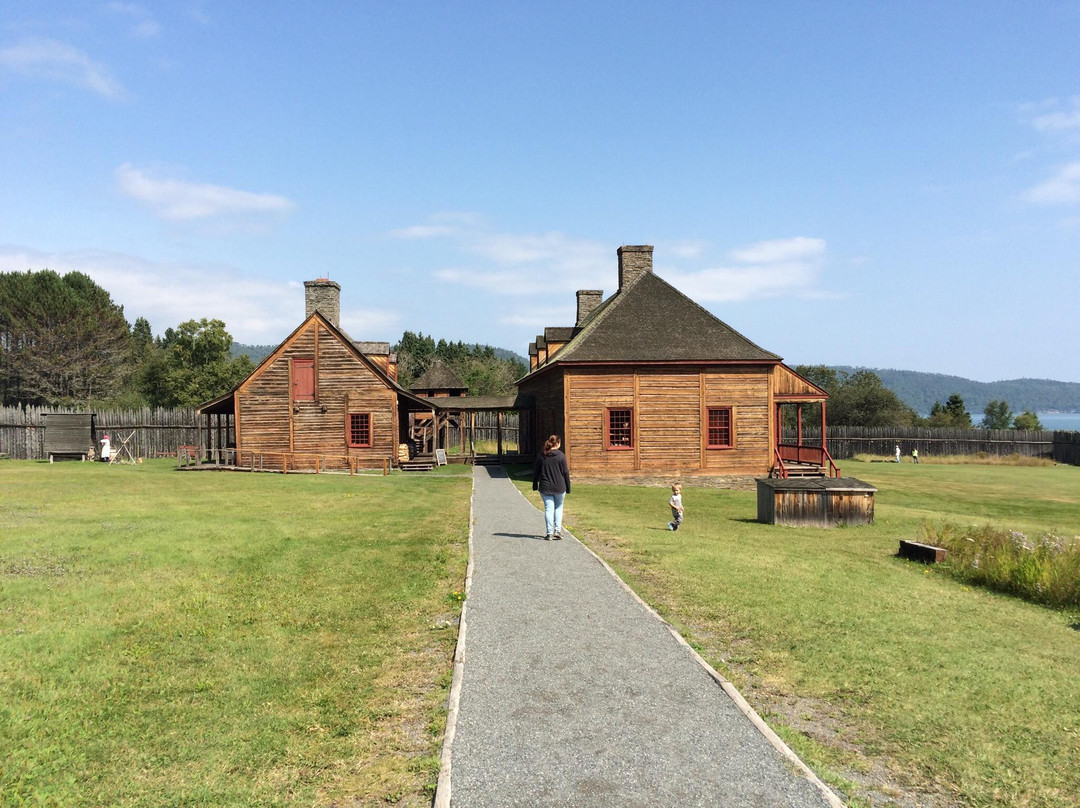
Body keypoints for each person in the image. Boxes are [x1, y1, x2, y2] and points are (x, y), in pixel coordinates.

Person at [532, 434, 571, 541]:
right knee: (558, 508)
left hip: (545, 487)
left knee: (549, 509)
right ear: (557, 443)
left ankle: (549, 533)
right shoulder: (561, 456)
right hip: (560, 486)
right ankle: (557, 531)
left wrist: (535, 483)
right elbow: (565, 472)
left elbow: (536, 471)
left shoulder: (542, 455)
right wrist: (568, 487)